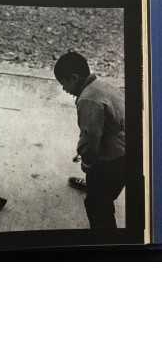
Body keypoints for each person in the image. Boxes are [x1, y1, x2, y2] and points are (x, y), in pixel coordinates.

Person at [54, 52, 125, 229]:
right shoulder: (101, 85)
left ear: (74, 78)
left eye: (64, 84)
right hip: (130, 148)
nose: (64, 89)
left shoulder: (88, 100)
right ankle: (96, 186)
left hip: (115, 159)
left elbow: (91, 140)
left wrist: (87, 163)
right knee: (104, 188)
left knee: (96, 205)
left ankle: (106, 242)